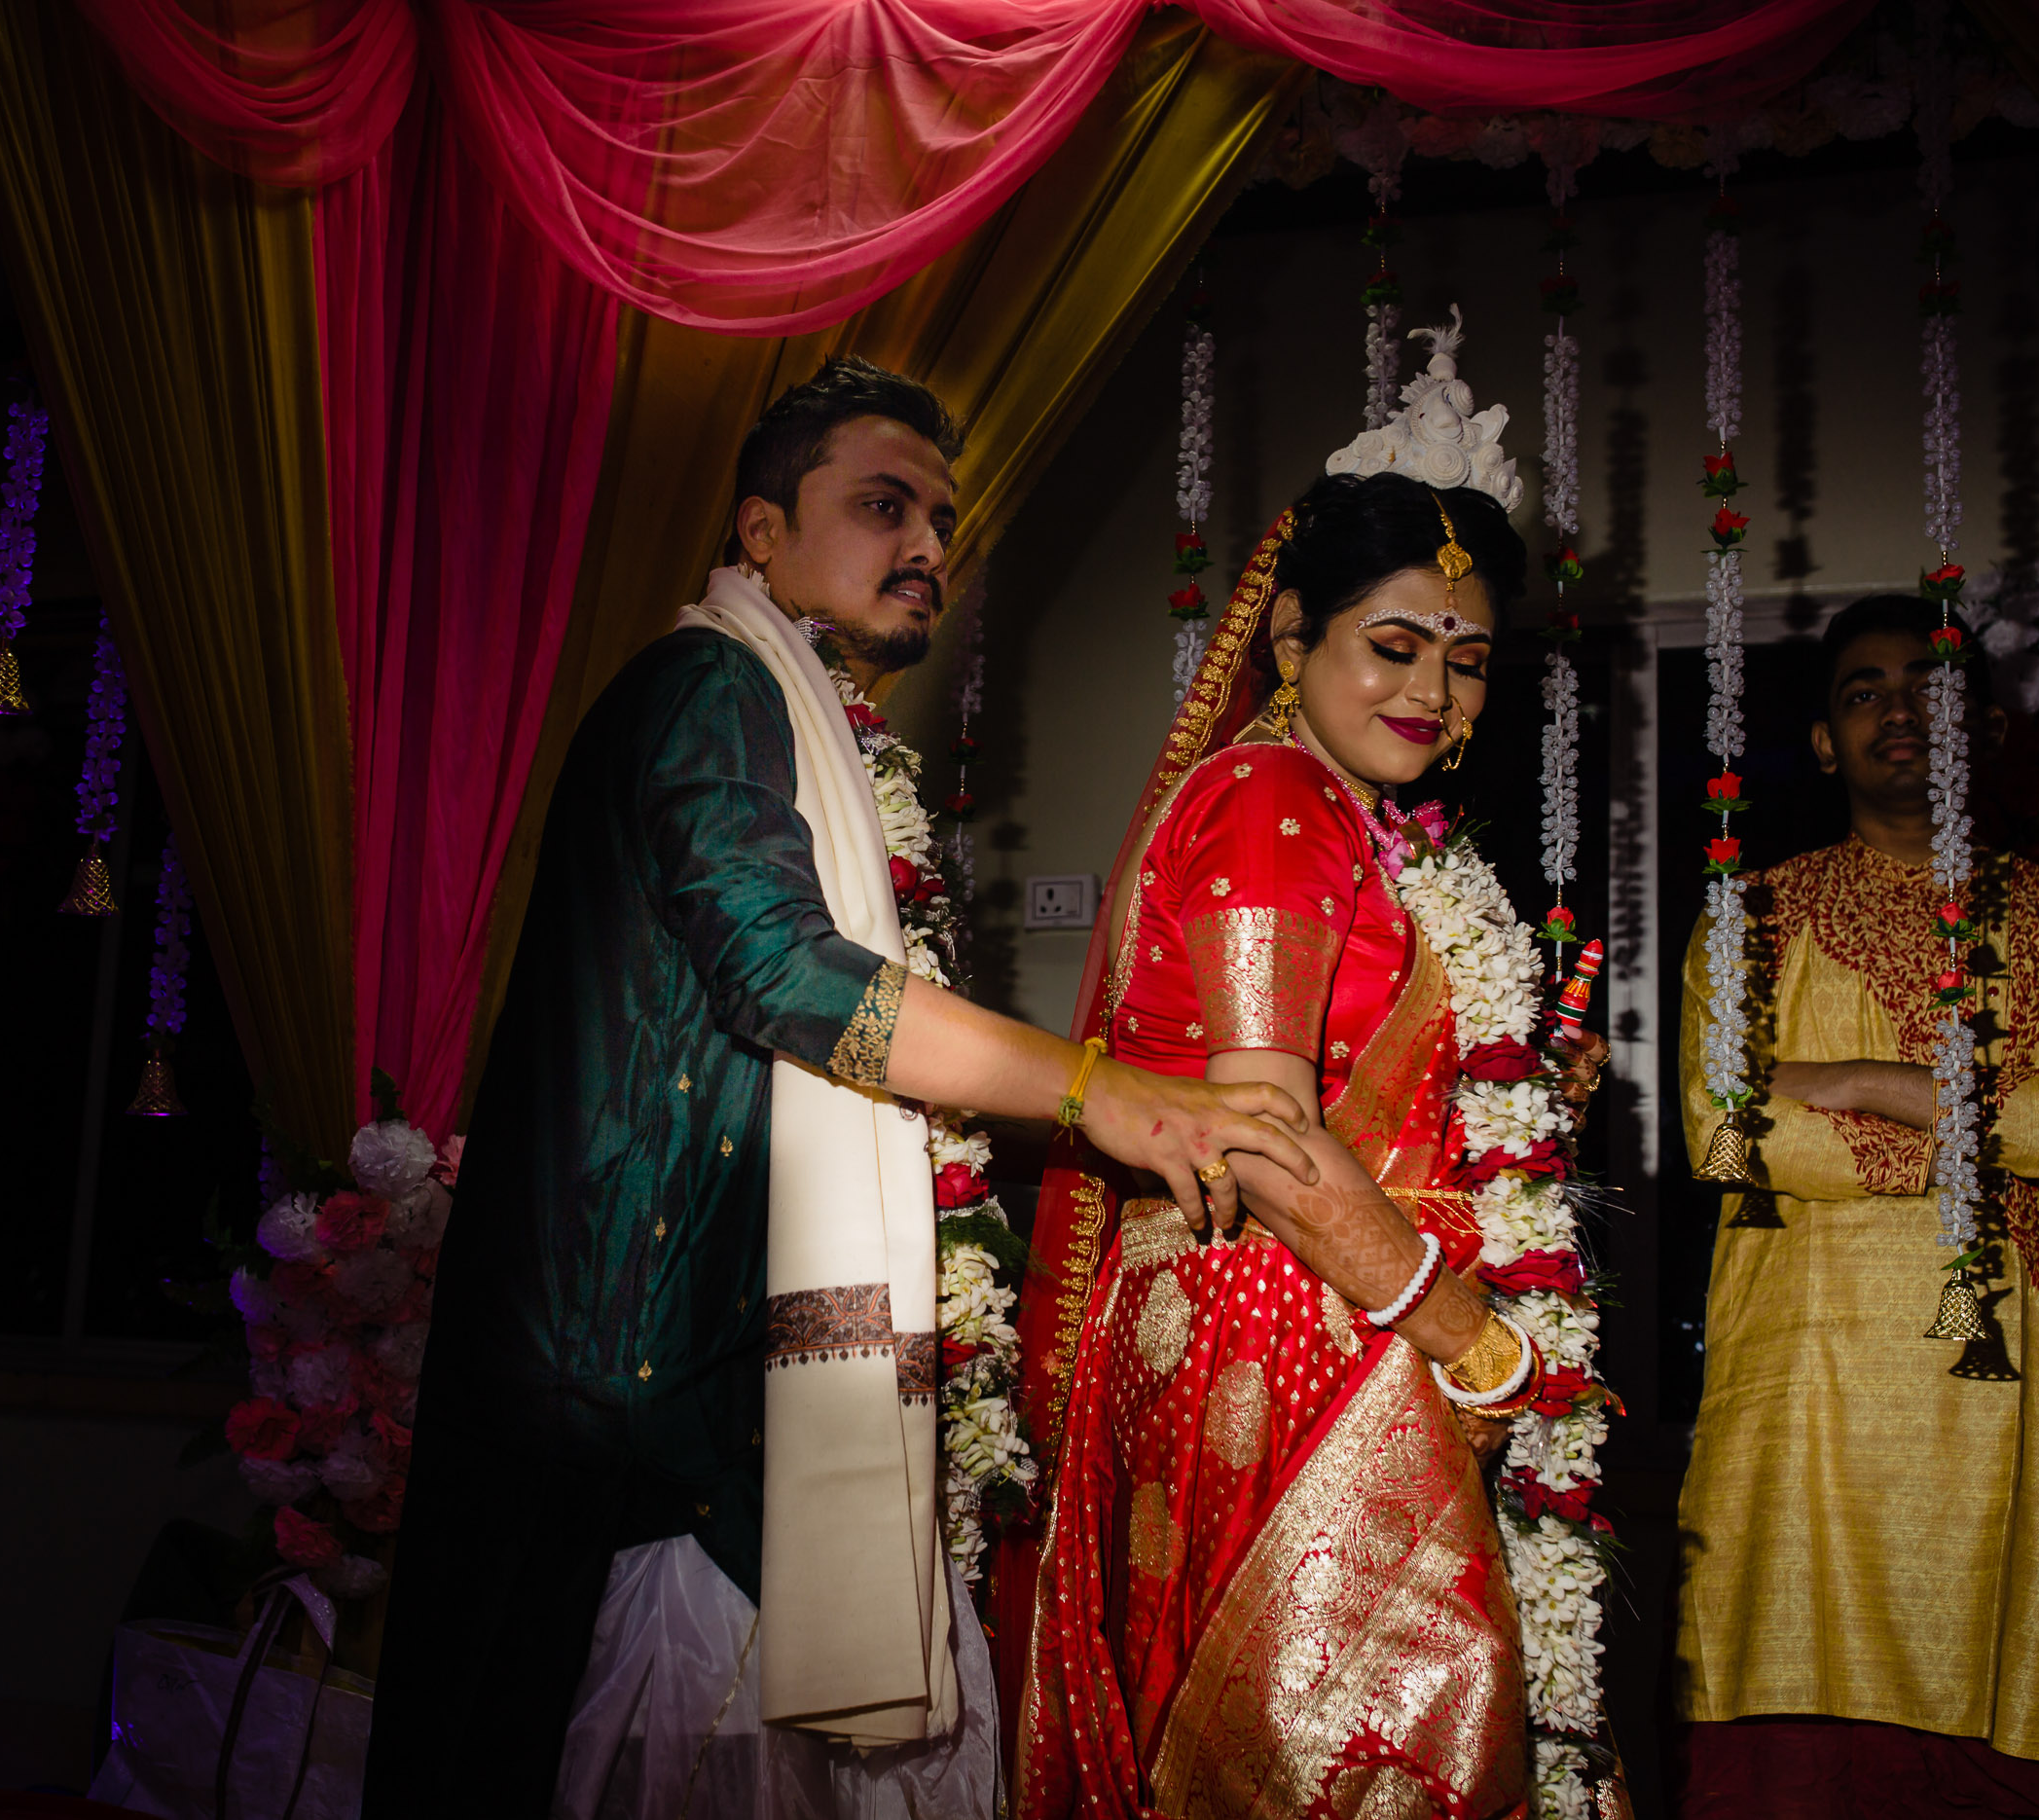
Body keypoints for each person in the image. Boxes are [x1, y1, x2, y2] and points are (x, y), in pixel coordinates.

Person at [363, 357, 1322, 1820]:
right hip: (626, 1380)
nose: (928, 545)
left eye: (939, 520)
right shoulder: (707, 684)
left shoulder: (797, 716)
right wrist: (1107, 1094)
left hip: (683, 1365)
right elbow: (783, 973)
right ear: (760, 530)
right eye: (883, 507)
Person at [1012, 318, 1615, 1819]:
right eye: (1394, 647)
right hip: (1284, 1322)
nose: (1436, 693)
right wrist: (1475, 1338)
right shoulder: (1276, 795)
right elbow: (1261, 1136)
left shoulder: (1358, 817)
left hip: (1319, 1304)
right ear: (1291, 639)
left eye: (1467, 661)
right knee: (1332, 1756)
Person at [1672, 593, 2039, 1817]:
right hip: (1800, 1407)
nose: (1898, 709)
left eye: (1929, 685)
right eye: (1863, 691)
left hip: (2011, 1403)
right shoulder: (1751, 919)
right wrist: (2018, 1114)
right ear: (1823, 743)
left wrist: (1865, 1081)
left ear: (1986, 729)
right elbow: (1725, 1131)